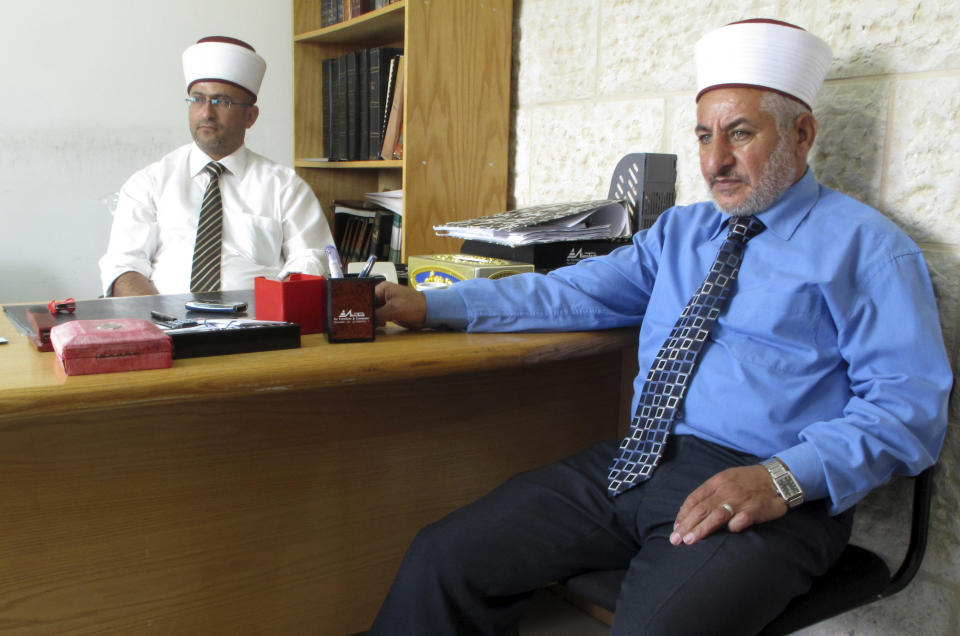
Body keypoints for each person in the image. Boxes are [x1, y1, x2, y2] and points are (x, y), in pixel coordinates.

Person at [367, 19, 952, 636]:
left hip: (772, 492)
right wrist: (433, 307)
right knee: (446, 556)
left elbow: (908, 411)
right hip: (641, 460)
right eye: (704, 136)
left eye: (740, 134)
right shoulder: (683, 232)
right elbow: (573, 291)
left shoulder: (867, 249)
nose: (714, 161)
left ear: (801, 134)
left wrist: (782, 478)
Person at [99, 36, 334, 297]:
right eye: (198, 99)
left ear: (250, 117)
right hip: (166, 328)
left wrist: (278, 311)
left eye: (222, 101)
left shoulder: (285, 187)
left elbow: (312, 258)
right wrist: (161, 322)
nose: (206, 113)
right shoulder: (149, 183)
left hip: (259, 329)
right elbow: (123, 266)